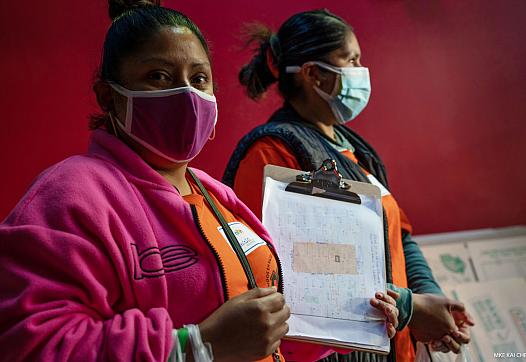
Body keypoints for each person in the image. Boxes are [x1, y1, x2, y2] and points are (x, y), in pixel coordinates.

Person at [0, 2, 400, 361]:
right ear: (108, 96)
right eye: (158, 75)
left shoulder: (216, 195)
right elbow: (30, 343)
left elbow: (266, 333)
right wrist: (195, 346)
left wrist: (349, 321)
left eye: (200, 78)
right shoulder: (71, 195)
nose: (186, 93)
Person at [223, 9, 474, 362]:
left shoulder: (356, 152)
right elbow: (295, 275)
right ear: (314, 75)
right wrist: (409, 307)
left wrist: (431, 304)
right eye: (351, 59)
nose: (361, 71)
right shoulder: (274, 153)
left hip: (393, 347)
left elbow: (399, 237)